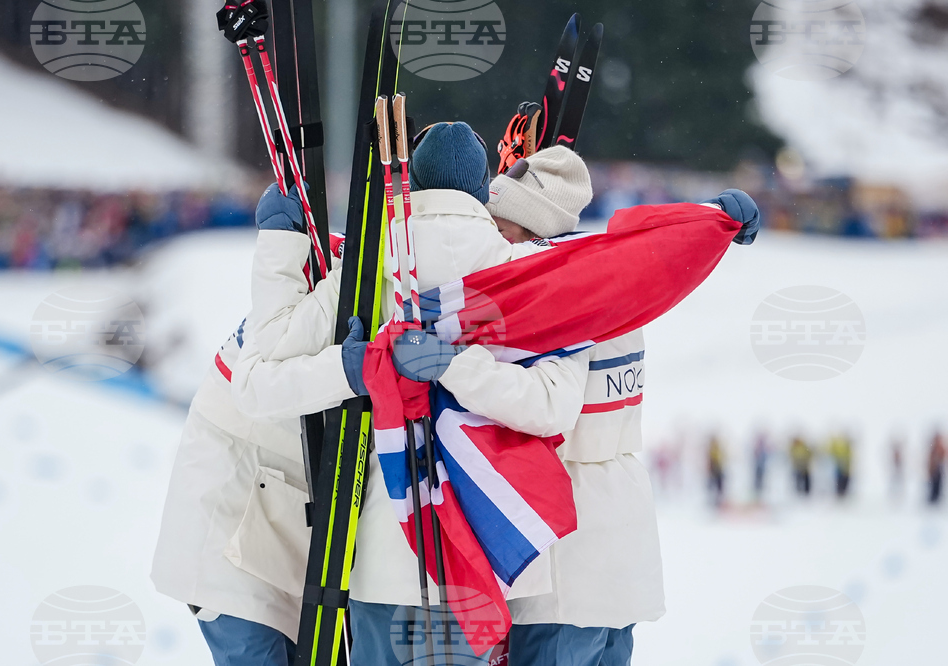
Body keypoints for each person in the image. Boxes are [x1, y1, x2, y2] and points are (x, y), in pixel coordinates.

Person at [228, 123, 586, 666]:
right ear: (486, 188)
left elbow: (262, 369)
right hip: (490, 552)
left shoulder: (367, 265)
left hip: (379, 551)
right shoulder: (530, 272)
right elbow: (552, 406)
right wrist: (464, 368)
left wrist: (282, 250)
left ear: (411, 182)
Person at [400, 146, 761, 666]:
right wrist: (710, 219)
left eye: (497, 227)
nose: (489, 245)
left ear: (529, 231)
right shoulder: (609, 279)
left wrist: (451, 365)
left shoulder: (554, 294)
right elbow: (654, 248)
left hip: (565, 557)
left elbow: (540, 403)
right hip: (620, 547)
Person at [149, 183, 343, 666]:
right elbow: (265, 394)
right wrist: (351, 369)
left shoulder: (298, 306)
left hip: (271, 545)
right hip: (229, 546)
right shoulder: (275, 332)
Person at [828, 432, 853, 498]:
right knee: (839, 482)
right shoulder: (839, 447)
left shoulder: (848, 448)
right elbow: (833, 452)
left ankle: (843, 495)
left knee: (845, 482)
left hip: (846, 469)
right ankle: (839, 495)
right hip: (840, 468)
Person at [708, 435, 726, 507]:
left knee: (719, 488)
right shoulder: (712, 450)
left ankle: (718, 502)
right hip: (714, 472)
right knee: (714, 488)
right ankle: (715, 502)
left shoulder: (716, 450)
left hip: (718, 471)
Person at [928, 430, 946, 505]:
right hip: (934, 470)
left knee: (938, 484)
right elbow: (930, 460)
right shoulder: (933, 448)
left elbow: (943, 455)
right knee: (933, 485)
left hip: (938, 470)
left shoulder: (940, 447)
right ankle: (933, 498)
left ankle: (936, 498)